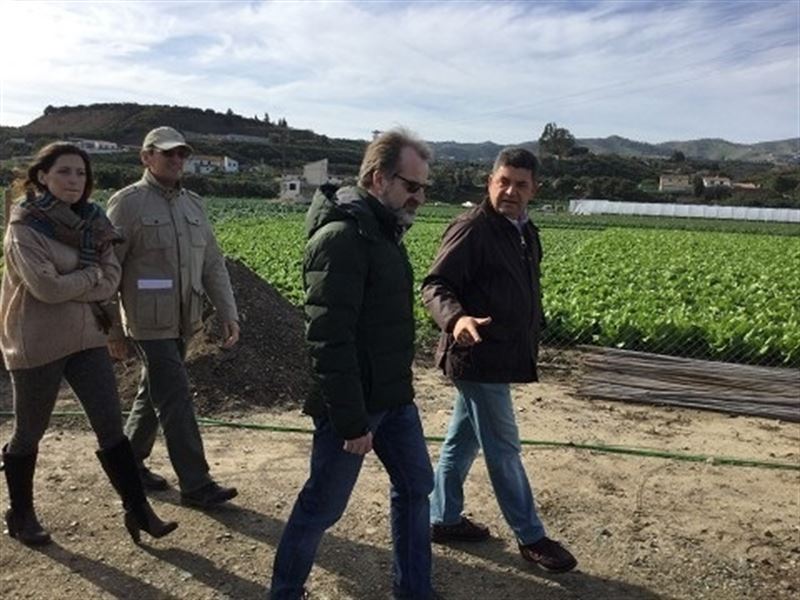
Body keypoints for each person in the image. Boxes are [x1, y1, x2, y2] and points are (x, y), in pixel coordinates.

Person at [270, 128, 436, 600]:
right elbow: (329, 338)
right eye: (412, 186)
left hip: (393, 397)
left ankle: (414, 591)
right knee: (323, 505)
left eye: (424, 188)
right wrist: (350, 421)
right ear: (379, 178)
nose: (419, 197)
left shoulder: (383, 231)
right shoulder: (343, 238)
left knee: (416, 486)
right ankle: (284, 592)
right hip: (355, 403)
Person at [0, 142, 178, 545]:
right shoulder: (24, 226)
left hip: (87, 338)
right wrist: (91, 278)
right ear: (42, 176)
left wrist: (80, 282)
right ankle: (21, 514)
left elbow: (111, 278)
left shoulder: (95, 222)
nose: (74, 180)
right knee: (29, 431)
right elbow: (46, 288)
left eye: (80, 173)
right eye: (64, 172)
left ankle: (139, 510)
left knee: (110, 425)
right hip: (38, 341)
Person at [421, 147, 577, 573]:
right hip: (477, 356)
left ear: (534, 189)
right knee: (504, 448)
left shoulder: (525, 230)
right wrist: (456, 319)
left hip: (501, 352)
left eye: (520, 184)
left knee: (462, 441)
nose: (510, 191)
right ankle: (531, 536)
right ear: (490, 182)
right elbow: (435, 285)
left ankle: (442, 517)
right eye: (503, 181)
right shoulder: (473, 228)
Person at [106, 126, 240, 509]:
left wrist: (228, 312)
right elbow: (108, 269)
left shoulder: (193, 205)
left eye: (182, 154)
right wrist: (112, 329)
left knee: (154, 392)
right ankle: (196, 484)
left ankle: (128, 464)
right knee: (176, 395)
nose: (177, 160)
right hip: (147, 322)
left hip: (185, 319)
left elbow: (212, 263)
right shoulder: (127, 204)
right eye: (168, 154)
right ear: (146, 157)